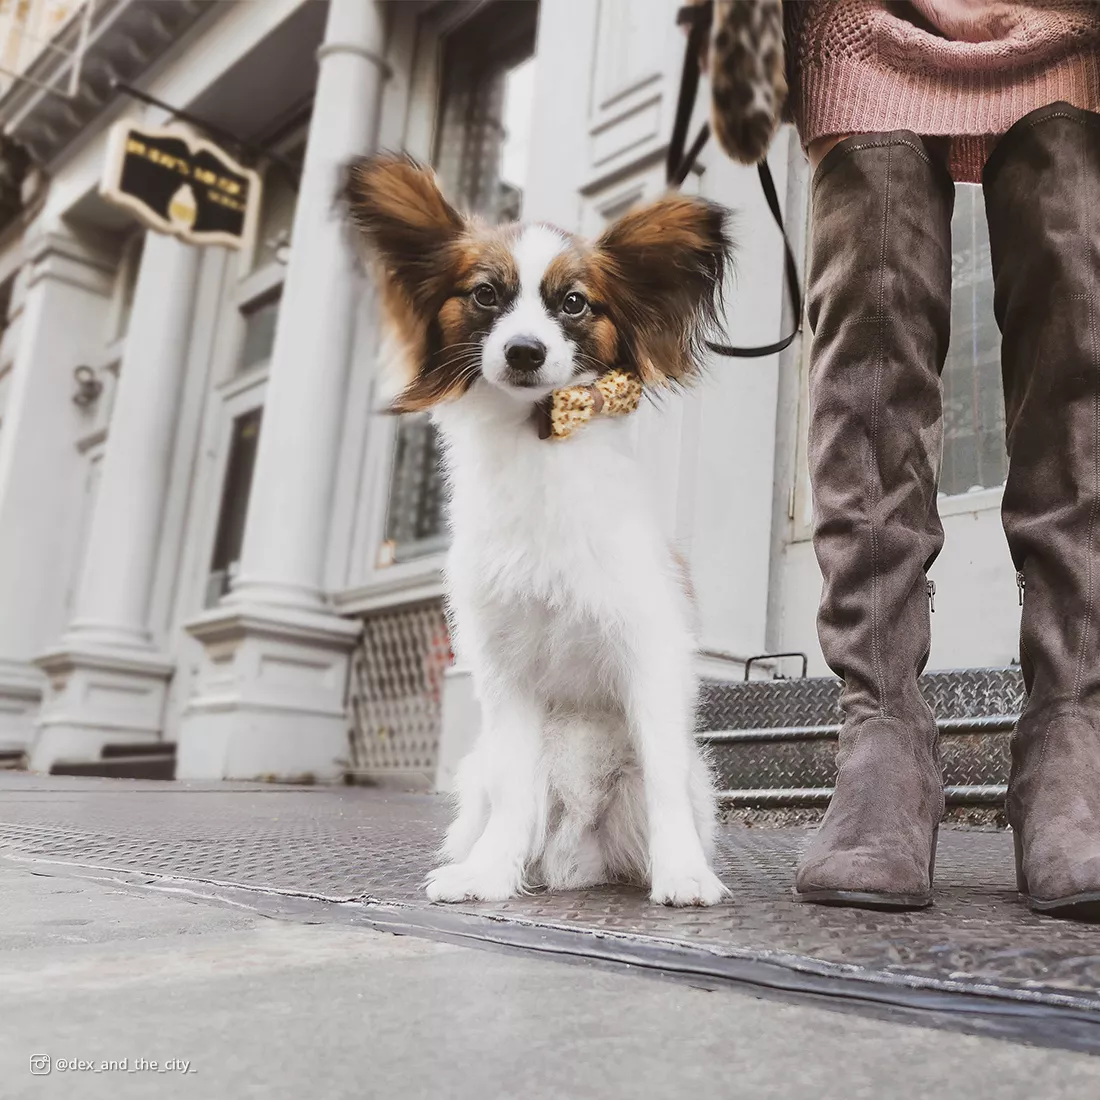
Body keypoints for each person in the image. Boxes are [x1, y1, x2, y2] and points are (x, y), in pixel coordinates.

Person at [702, 0, 1100, 919]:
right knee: (869, 328)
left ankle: (1071, 724)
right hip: (864, 17)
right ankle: (883, 728)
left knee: (1082, 326)